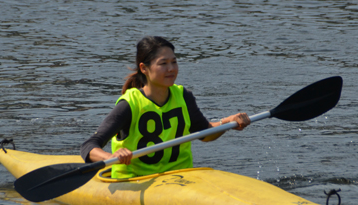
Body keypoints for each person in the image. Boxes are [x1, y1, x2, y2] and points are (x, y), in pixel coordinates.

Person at [80, 36, 250, 179]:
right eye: (163, 64)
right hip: (136, 181)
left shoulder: (183, 96)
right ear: (144, 68)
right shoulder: (129, 104)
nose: (171, 69)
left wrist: (228, 122)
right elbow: (89, 146)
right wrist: (111, 157)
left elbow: (204, 133)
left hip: (180, 177)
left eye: (174, 62)